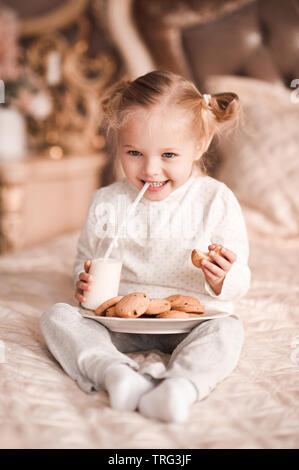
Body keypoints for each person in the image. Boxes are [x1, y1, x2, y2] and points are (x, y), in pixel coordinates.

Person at [40, 70, 251, 423]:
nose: (151, 169)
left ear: (199, 145)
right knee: (56, 317)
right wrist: (83, 281)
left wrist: (223, 278)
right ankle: (115, 374)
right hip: (119, 323)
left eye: (169, 154)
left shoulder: (215, 200)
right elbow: (85, 259)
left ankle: (180, 387)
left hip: (192, 323)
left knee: (229, 330)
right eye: (135, 152)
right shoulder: (107, 201)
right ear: (118, 145)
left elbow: (240, 279)